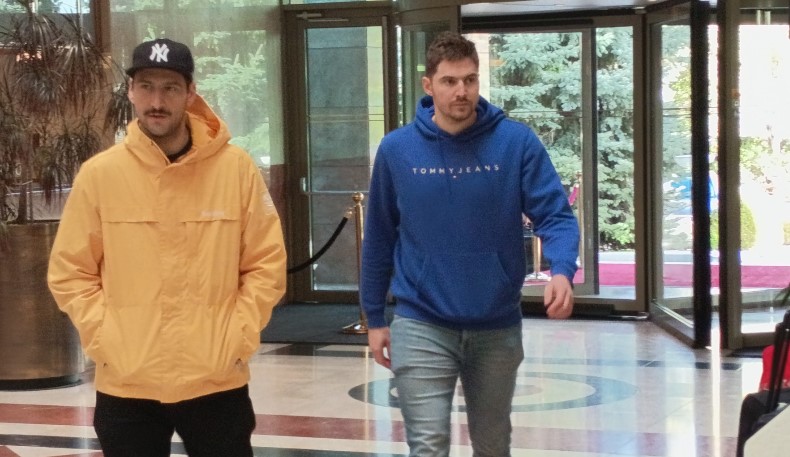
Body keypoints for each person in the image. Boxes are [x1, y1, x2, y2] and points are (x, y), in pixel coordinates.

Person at [47, 38, 287, 457]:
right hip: (128, 383)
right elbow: (71, 272)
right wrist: (107, 339)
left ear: (191, 93)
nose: (157, 101)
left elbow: (265, 263)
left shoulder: (235, 170)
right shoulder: (100, 175)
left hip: (215, 381)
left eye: (170, 88)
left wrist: (237, 336)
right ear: (131, 91)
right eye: (146, 87)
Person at [360, 31, 579, 456]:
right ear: (428, 85)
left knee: (492, 444)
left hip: (495, 324)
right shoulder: (397, 150)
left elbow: (555, 215)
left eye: (470, 80)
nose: (461, 91)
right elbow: (380, 236)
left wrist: (562, 270)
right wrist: (374, 316)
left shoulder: (515, 142)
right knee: (428, 445)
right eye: (450, 81)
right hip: (420, 322)